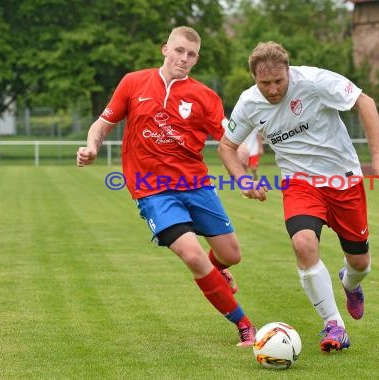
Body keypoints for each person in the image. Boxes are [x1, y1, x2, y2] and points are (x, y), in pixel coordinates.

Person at [76, 26, 256, 347]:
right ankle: (243, 324)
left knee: (231, 254)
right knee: (192, 255)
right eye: (178, 51)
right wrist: (91, 147)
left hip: (197, 185)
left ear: (196, 59)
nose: (183, 59)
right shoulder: (133, 83)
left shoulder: (205, 96)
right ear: (165, 49)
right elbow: (103, 124)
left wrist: (246, 161)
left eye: (191, 55)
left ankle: (218, 270)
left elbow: (231, 140)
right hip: (152, 189)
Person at [218, 42, 379, 353]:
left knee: (360, 262)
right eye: (265, 83)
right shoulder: (248, 103)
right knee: (303, 243)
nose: (273, 90)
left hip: (344, 180)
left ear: (288, 71)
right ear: (254, 78)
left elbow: (364, 102)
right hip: (300, 183)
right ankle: (333, 324)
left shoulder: (314, 81)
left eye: (278, 81)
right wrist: (242, 179)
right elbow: (226, 146)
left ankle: (350, 283)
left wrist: (378, 154)